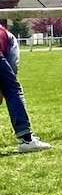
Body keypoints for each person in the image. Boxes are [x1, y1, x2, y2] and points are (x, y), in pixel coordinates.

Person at [0, 24, 51, 153]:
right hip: (5, 42)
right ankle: (26, 139)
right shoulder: (9, 39)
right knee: (13, 89)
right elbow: (11, 77)